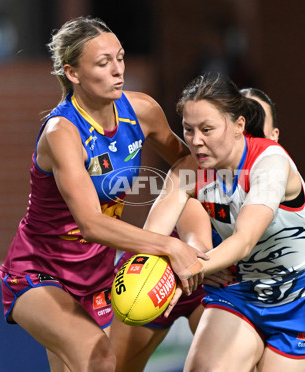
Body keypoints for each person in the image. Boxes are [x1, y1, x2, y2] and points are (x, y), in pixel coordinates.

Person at [0, 16, 208, 372]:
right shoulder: (61, 133)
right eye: (103, 62)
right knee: (100, 357)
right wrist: (168, 244)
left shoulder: (141, 111)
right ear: (73, 73)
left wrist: (189, 216)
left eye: (120, 58)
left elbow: (188, 163)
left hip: (96, 274)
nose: (118, 70)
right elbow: (92, 224)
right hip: (39, 270)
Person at [142, 73, 305, 372]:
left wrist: (192, 266)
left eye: (207, 129)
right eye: (188, 129)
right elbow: (150, 237)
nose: (196, 141)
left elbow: (244, 240)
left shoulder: (270, 163)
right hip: (240, 292)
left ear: (238, 126)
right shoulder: (188, 171)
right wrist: (167, 267)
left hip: (301, 300)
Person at [111, 86, 290, 372]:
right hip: (172, 270)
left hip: (222, 286)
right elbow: (195, 237)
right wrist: (201, 260)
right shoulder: (195, 171)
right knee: (110, 367)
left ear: (274, 136)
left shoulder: (278, 174)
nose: (248, 138)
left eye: (257, 126)